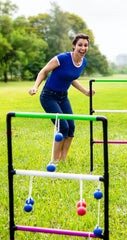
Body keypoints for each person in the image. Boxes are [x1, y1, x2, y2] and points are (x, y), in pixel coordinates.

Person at [29, 33, 95, 163]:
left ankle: (63, 159)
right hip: (49, 96)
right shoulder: (62, 58)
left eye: (86, 45)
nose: (83, 48)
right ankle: (54, 161)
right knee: (63, 127)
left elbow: (71, 79)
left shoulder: (83, 62)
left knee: (71, 127)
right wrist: (35, 87)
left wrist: (85, 92)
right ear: (74, 45)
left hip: (63, 97)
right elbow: (43, 71)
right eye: (80, 45)